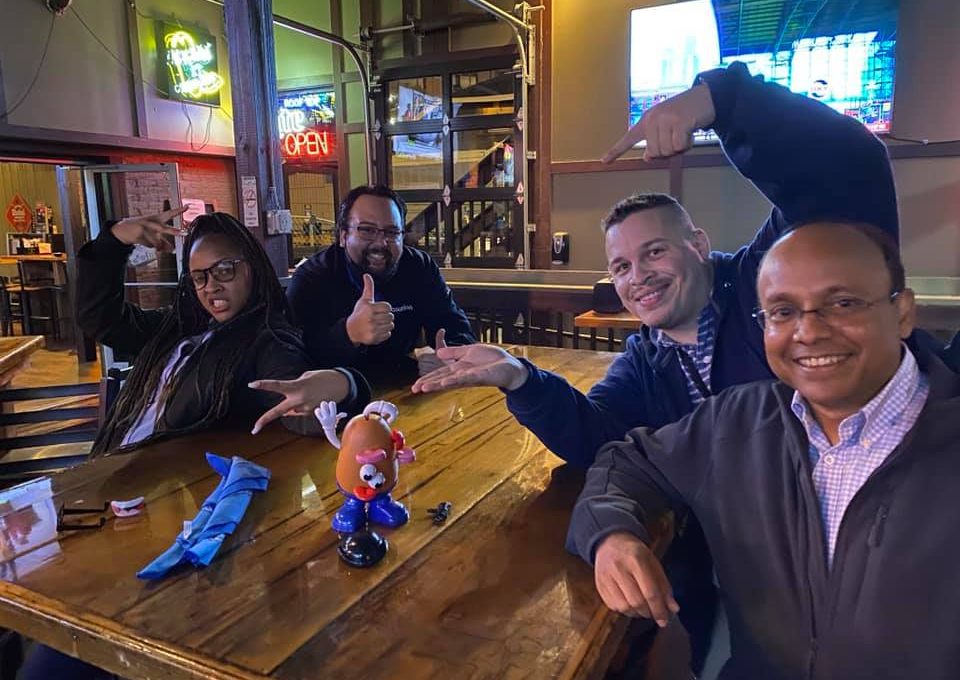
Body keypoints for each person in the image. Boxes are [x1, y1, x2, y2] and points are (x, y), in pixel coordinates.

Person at [411, 61, 898, 670]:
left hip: (875, 568)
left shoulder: (769, 283)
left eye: (655, 252)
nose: (637, 277)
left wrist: (723, 101)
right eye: (621, 267)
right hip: (752, 587)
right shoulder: (647, 358)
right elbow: (604, 443)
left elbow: (850, 170)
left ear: (698, 245)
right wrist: (519, 377)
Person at [567, 222, 960, 680]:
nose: (808, 331)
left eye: (843, 303)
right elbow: (626, 462)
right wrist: (611, 537)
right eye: (782, 311)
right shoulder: (738, 421)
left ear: (903, 313)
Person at [77, 208, 370, 456]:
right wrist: (114, 241)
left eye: (224, 270)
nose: (211, 286)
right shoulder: (176, 328)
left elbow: (299, 409)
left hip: (168, 487)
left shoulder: (268, 341)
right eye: (199, 277)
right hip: (109, 469)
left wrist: (344, 385)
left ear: (251, 269)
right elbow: (99, 319)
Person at [286, 184, 476, 386]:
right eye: (367, 230)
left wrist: (449, 358)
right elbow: (292, 359)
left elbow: (456, 328)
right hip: (335, 396)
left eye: (392, 232)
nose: (381, 243)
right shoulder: (312, 277)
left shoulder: (418, 267)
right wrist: (348, 334)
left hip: (406, 387)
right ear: (343, 236)